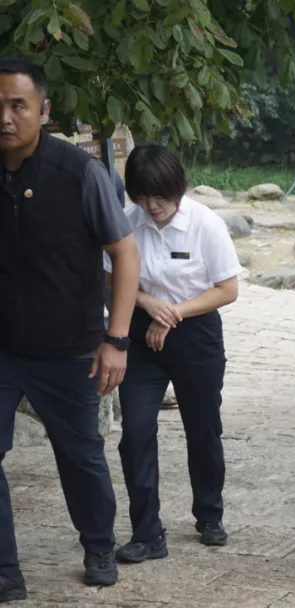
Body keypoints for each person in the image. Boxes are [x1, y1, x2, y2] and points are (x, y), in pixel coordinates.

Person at [0, 58, 139, 597]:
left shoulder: (80, 173)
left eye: (18, 105)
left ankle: (98, 543)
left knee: (80, 454)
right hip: (3, 346)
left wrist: (116, 340)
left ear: (44, 110)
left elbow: (125, 256)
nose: (6, 117)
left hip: (70, 347)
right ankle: (6, 571)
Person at [106, 144, 242, 562]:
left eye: (160, 197)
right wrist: (149, 305)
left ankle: (209, 513)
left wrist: (174, 313)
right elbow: (111, 280)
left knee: (202, 429)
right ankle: (147, 531)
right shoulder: (129, 223)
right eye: (143, 198)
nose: (153, 207)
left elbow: (227, 289)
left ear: (178, 188)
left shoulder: (206, 224)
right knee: (136, 432)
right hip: (141, 334)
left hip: (195, 332)